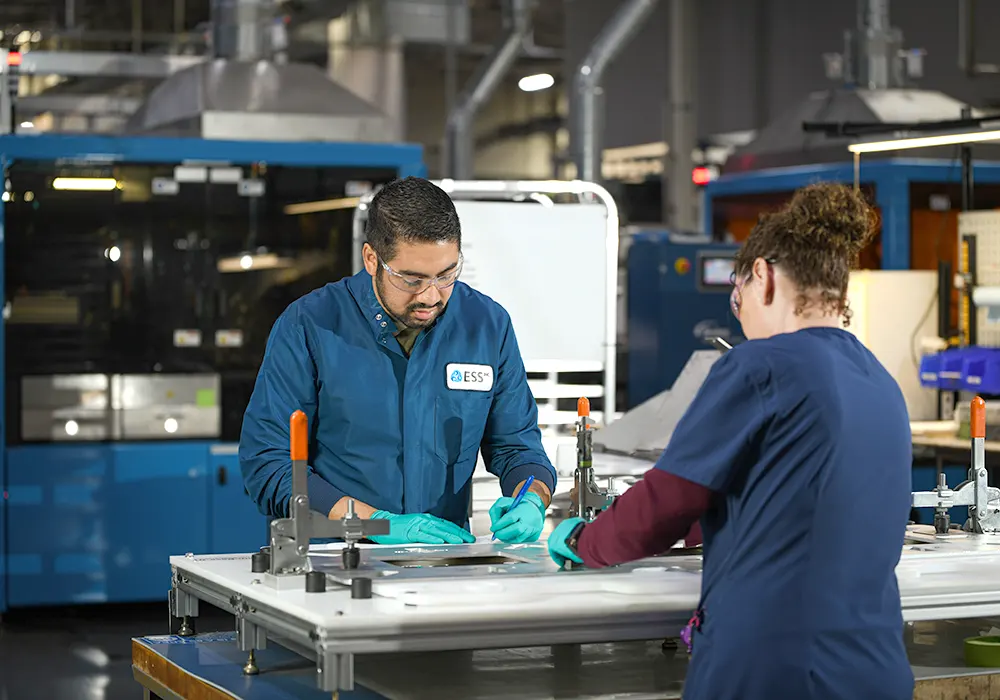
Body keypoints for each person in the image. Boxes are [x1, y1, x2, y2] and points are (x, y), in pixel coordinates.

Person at [548, 183, 914, 700]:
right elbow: (796, 500)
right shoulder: (879, 379)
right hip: (873, 669)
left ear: (762, 277)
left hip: (772, 671)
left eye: (736, 299)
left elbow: (665, 502)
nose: (739, 318)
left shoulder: (761, 365)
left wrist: (586, 541)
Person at [240, 176, 555, 545]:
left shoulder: (486, 325)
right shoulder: (310, 326)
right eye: (412, 279)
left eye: (447, 274)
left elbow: (517, 446)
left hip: (445, 562)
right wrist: (374, 523)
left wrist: (530, 498)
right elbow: (267, 464)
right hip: (336, 562)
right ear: (372, 259)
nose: (431, 295)